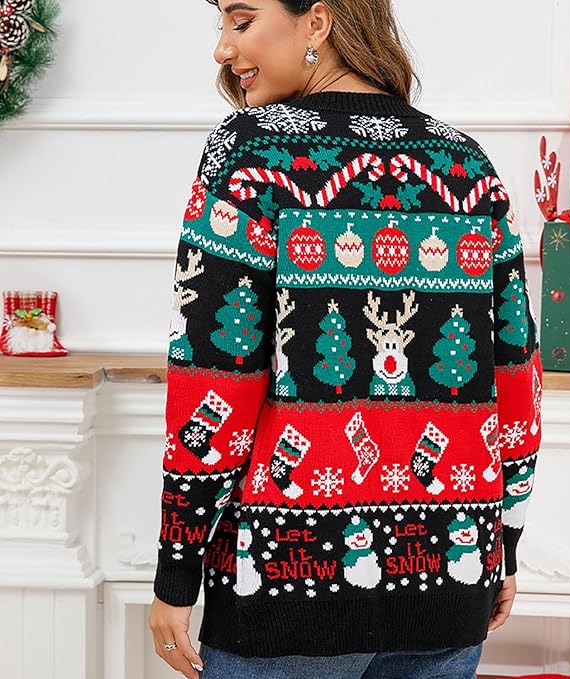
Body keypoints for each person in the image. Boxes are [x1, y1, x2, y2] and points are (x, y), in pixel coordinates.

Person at [148, 0, 543, 677]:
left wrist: (176, 569)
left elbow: (215, 377)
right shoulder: (464, 163)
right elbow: (516, 373)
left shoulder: (250, 151)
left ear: (318, 21)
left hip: (284, 585)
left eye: (241, 20)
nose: (222, 49)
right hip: (452, 576)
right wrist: (502, 542)